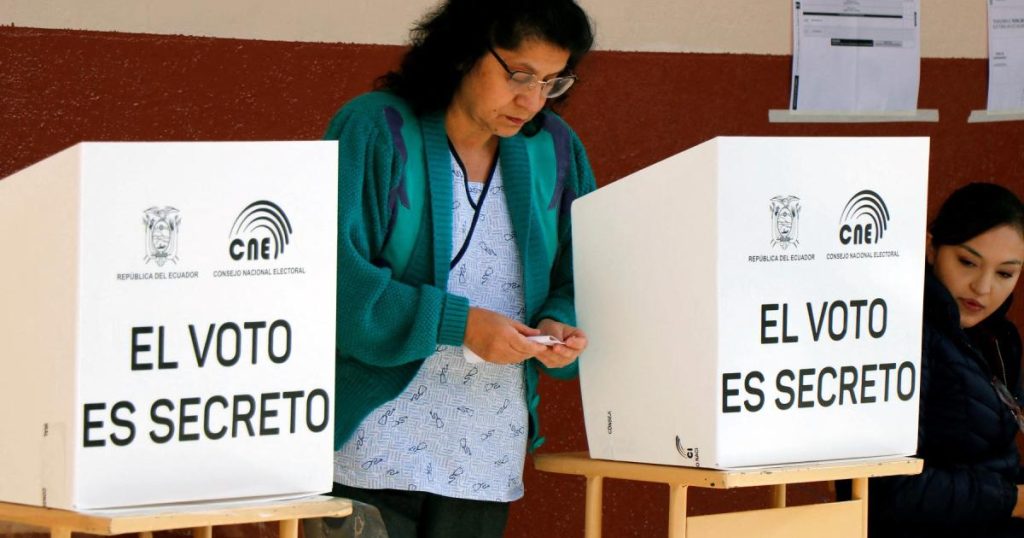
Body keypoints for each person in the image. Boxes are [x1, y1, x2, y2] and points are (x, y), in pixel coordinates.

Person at [317, 1, 596, 536]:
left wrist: (559, 322)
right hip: (368, 448)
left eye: (552, 83)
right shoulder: (374, 129)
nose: (532, 100)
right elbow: (333, 281)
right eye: (519, 75)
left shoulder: (555, 150)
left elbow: (585, 271)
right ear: (463, 53)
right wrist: (460, 325)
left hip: (485, 455)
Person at [869, 182, 1024, 538]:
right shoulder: (903, 335)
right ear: (931, 248)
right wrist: (1011, 499)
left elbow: (993, 463)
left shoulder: (999, 339)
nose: (983, 288)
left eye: (1005, 273)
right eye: (968, 262)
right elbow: (890, 491)